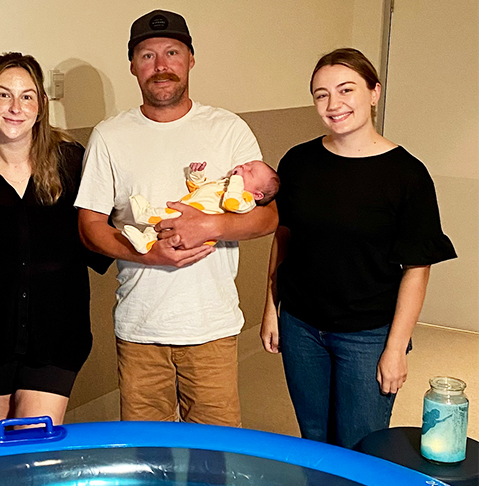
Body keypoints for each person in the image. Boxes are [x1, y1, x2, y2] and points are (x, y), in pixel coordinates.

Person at [75, 10, 277, 426]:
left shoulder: (228, 129)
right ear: (133, 66)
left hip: (211, 326)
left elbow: (268, 217)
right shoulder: (109, 136)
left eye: (172, 52)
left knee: (217, 454)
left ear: (190, 59)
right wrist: (149, 256)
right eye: (147, 56)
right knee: (148, 458)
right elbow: (90, 226)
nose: (161, 65)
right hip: (140, 327)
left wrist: (210, 225)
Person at [260, 48, 456, 449]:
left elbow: (417, 268)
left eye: (346, 89)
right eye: (321, 94)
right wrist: (271, 309)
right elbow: (284, 238)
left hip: (368, 335)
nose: (334, 104)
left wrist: (396, 348)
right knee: (314, 440)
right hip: (300, 327)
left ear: (374, 92)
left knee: (359, 445)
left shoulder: (407, 175)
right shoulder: (298, 162)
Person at [0, 52, 111, 433]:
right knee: (1, 445)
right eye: (4, 95)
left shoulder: (71, 163)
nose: (15, 107)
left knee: (29, 441)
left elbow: (98, 235)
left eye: (27, 96)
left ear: (41, 106)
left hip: (56, 336)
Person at [124, 160, 279, 253]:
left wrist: (237, 180)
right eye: (246, 164)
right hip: (192, 207)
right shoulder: (225, 184)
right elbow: (202, 190)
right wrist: (196, 175)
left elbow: (230, 203)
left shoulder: (246, 199)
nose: (243, 168)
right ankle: (146, 242)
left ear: (258, 195)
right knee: (161, 228)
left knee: (169, 214)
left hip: (195, 223)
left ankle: (144, 215)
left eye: (250, 172)